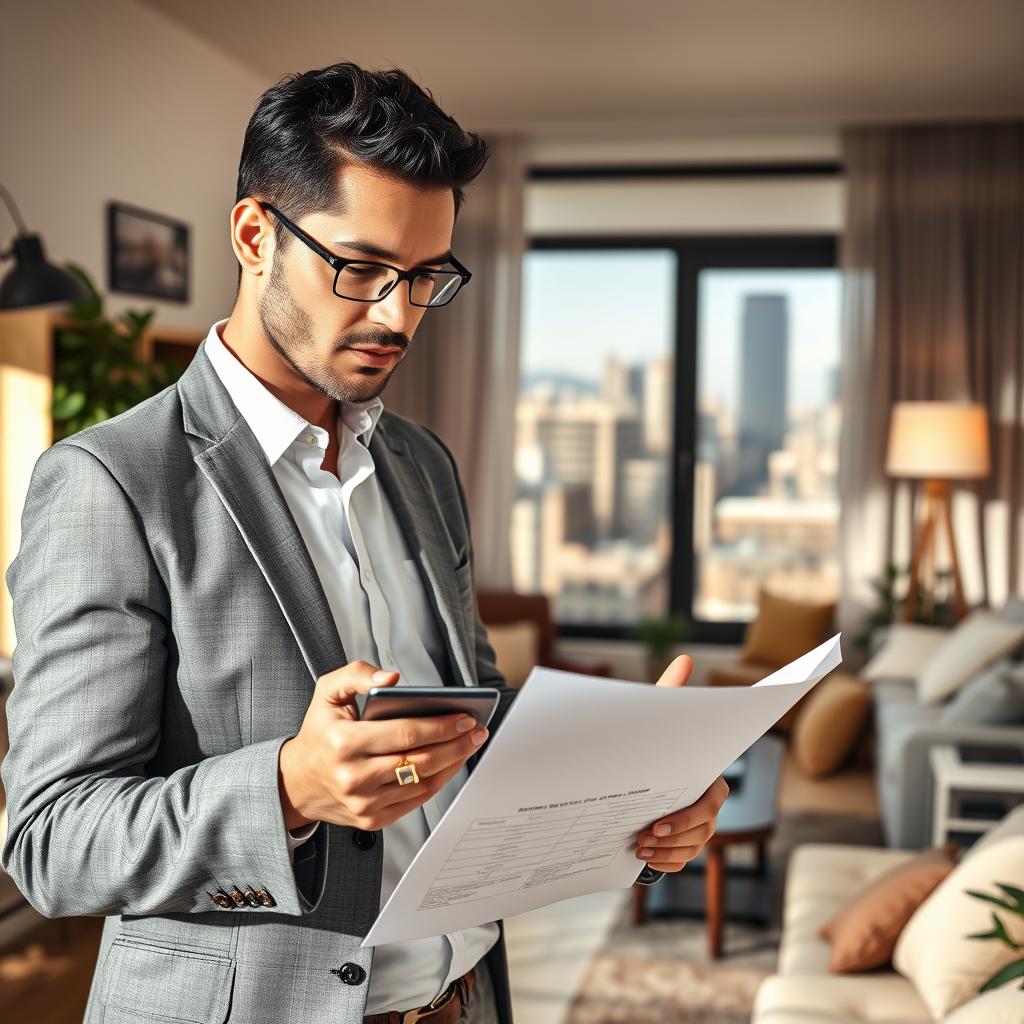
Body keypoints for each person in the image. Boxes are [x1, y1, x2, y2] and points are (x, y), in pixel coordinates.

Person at [1, 61, 728, 1024]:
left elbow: (467, 725)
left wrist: (632, 785)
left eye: (428, 276)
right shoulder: (112, 482)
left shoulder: (421, 464)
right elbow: (51, 842)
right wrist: (288, 787)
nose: (400, 314)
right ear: (255, 236)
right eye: (362, 269)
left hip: (467, 1001)